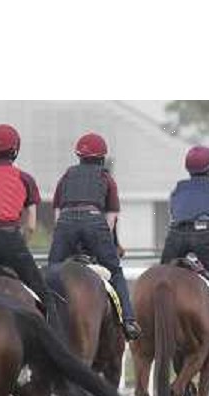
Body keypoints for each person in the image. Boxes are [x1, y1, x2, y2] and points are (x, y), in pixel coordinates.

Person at [48, 132, 141, 341]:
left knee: (52, 269)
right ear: (102, 158)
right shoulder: (106, 178)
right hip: (94, 222)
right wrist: (102, 242)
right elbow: (111, 218)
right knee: (115, 271)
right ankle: (128, 320)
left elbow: (57, 214)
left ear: (79, 156)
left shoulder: (66, 176)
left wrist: (66, 237)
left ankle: (45, 318)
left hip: (66, 223)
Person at [0, 124, 58, 327]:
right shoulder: (25, 179)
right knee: (44, 295)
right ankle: (55, 340)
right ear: (16, 150)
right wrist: (19, 245)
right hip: (11, 241)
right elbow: (31, 225)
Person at [160, 145, 209, 347]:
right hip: (202, 235)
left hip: (175, 234)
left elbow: (175, 214)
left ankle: (157, 325)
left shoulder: (176, 189)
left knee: (160, 279)